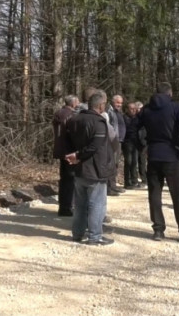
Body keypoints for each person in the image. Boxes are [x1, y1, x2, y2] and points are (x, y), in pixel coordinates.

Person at [137, 82, 179, 242]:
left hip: (153, 155)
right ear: (170, 93)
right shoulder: (175, 108)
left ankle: (158, 230)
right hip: (172, 155)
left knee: (154, 194)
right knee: (178, 194)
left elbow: (133, 128)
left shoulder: (146, 109)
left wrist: (142, 146)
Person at [64, 91, 116, 245]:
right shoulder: (99, 122)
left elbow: (66, 140)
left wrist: (73, 156)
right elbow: (95, 146)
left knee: (80, 204)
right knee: (97, 204)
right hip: (95, 168)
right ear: (100, 105)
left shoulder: (74, 119)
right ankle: (95, 236)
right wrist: (78, 155)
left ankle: (77, 234)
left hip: (79, 168)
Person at [52, 94, 80, 217]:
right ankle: (68, 207)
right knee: (70, 179)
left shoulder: (58, 113)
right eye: (77, 102)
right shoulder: (72, 115)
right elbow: (73, 134)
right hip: (69, 150)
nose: (78, 104)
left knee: (64, 179)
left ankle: (63, 206)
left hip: (60, 150)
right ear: (73, 103)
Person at [107, 95, 127, 195]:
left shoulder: (118, 112)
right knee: (111, 164)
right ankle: (110, 186)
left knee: (115, 164)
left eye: (121, 103)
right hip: (112, 141)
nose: (120, 105)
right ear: (112, 101)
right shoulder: (109, 111)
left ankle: (113, 185)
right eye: (117, 102)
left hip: (119, 141)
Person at [123, 102, 144, 189]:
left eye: (134, 109)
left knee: (134, 162)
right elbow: (128, 128)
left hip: (135, 142)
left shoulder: (137, 118)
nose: (133, 110)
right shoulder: (124, 117)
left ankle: (134, 180)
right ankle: (127, 182)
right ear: (127, 109)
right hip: (127, 142)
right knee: (128, 161)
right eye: (131, 109)